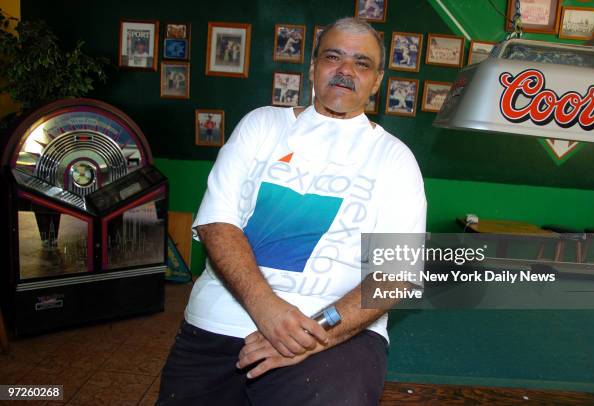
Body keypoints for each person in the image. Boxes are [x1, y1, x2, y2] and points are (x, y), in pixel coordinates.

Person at [157, 17, 426, 406]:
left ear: (378, 80)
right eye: (333, 56)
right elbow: (218, 224)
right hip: (220, 324)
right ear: (313, 67)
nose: (346, 70)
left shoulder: (395, 160)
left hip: (337, 335)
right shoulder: (261, 125)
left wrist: (314, 332)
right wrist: (268, 310)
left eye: (362, 63)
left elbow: (396, 275)